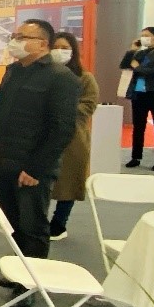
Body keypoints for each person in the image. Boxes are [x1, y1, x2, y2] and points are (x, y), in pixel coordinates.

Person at [0, 19, 79, 307]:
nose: (15, 41)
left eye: (23, 36)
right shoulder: (13, 71)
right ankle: (18, 271)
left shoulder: (60, 77)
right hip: (5, 161)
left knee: (33, 225)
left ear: (42, 44)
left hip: (32, 168)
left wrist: (36, 169)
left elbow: (62, 129)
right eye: (15, 35)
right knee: (11, 223)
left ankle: (31, 285)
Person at [49, 32, 99, 240]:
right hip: (45, 136)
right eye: (56, 47)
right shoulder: (45, 74)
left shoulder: (85, 78)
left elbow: (89, 104)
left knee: (69, 181)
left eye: (65, 48)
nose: (59, 51)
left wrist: (62, 109)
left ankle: (59, 223)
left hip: (73, 138)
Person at [120, 27, 154, 171]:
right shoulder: (141, 53)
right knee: (138, 127)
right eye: (142, 35)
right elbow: (124, 65)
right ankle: (136, 157)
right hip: (139, 94)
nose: (143, 38)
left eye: (147, 35)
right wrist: (132, 50)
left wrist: (137, 67)